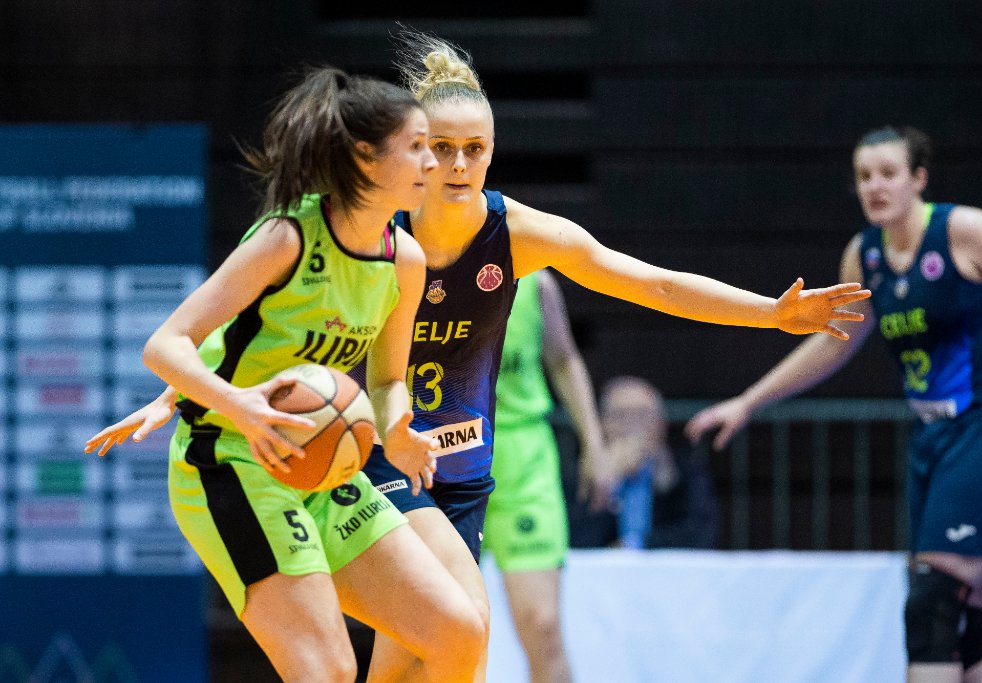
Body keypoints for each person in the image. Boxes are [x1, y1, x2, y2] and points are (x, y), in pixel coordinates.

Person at [90, 32, 870, 682]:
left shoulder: (496, 236)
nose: (455, 166)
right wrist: (189, 396)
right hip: (364, 457)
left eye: (475, 150)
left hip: (451, 464)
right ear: (407, 155)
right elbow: (248, 330)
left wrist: (770, 313)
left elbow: (653, 283)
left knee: (437, 652)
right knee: (449, 630)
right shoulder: (344, 232)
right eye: (439, 149)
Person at [85, 66, 486, 683]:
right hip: (233, 459)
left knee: (457, 633)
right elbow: (166, 343)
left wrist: (399, 427)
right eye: (417, 147)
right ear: (365, 158)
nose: (433, 164)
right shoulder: (288, 237)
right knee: (326, 669)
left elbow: (385, 380)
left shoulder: (403, 259)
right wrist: (228, 402)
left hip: (320, 467)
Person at [685, 126, 982, 683]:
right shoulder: (864, 255)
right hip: (934, 438)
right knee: (963, 622)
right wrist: (748, 402)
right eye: (864, 176)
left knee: (933, 600)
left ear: (919, 179)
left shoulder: (964, 232)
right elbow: (833, 341)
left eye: (888, 173)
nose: (874, 186)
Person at [481, 269, 612, 683]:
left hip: (522, 459)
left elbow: (564, 358)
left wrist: (594, 442)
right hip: (439, 456)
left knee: (542, 625)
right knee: (432, 632)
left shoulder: (535, 280)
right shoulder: (409, 260)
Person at [600, 375, 718, 550]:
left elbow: (700, 534)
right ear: (603, 425)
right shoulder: (581, 477)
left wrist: (636, 546)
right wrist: (608, 484)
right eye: (620, 416)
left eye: (642, 415)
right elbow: (576, 538)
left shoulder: (686, 473)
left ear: (661, 424)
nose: (632, 425)